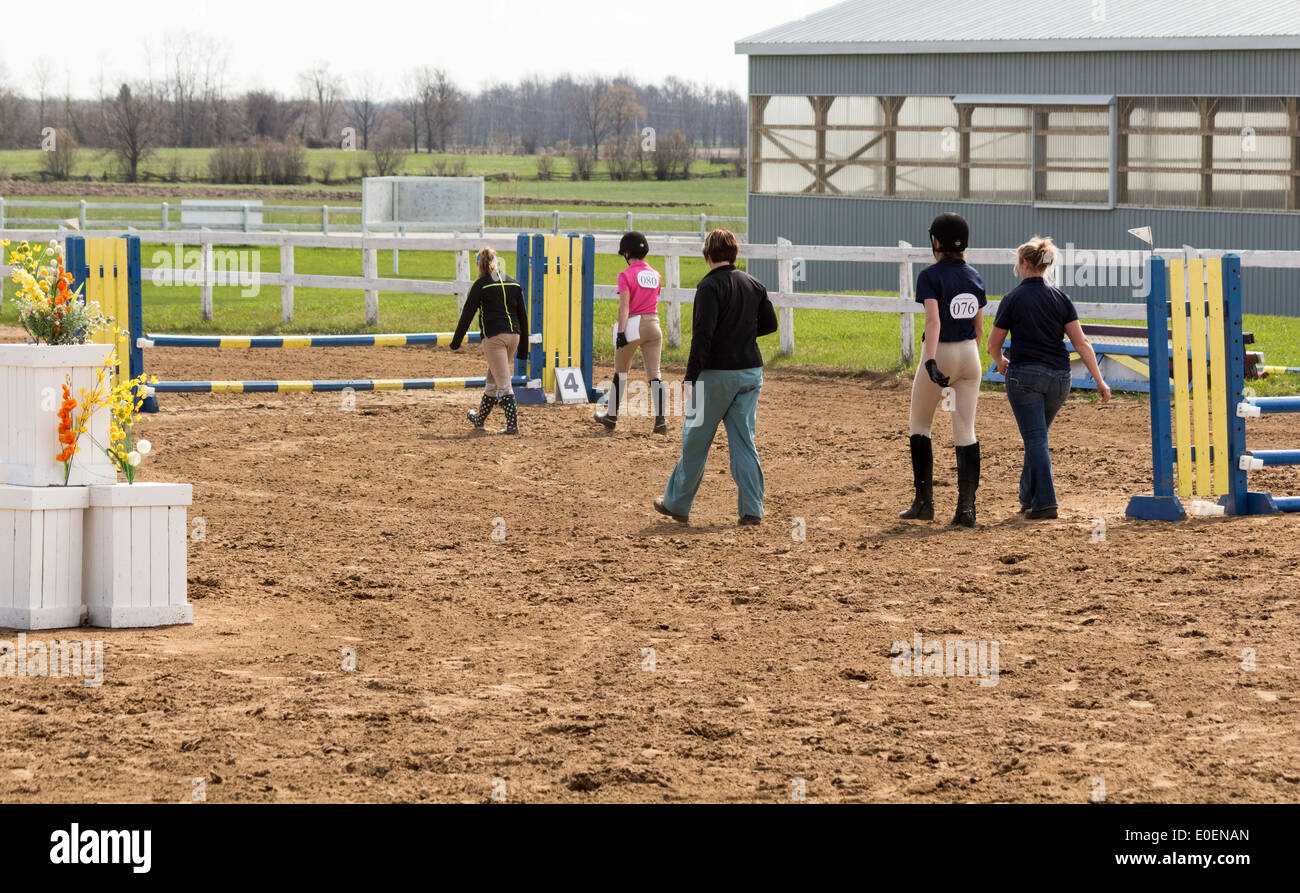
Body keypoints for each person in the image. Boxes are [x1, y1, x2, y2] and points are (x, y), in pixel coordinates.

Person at [654, 229, 778, 526]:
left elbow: (703, 336)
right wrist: (741, 335)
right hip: (750, 372)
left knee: (695, 441)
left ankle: (678, 504)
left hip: (714, 376)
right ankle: (752, 510)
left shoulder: (709, 286)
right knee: (743, 442)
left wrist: (689, 377)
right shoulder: (754, 283)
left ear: (707, 255)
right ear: (734, 254)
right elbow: (770, 324)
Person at [988, 236, 1111, 519]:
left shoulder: (1013, 299)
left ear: (1026, 264)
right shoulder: (1061, 298)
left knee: (1035, 440)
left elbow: (994, 344)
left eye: (1018, 264)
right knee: (1038, 437)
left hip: (1025, 376)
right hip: (1059, 379)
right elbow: (1082, 343)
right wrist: (1099, 380)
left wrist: (999, 361)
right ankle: (1027, 496)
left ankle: (1045, 502)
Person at [900, 212, 987, 528]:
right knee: (965, 430)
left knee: (920, 424)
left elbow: (933, 322)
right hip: (969, 356)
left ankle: (924, 503)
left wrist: (931, 360)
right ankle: (966, 510)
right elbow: (979, 326)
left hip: (942, 351)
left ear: (936, 242)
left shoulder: (930, 276)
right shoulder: (974, 276)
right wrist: (968, 358)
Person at [450, 247, 529, 435]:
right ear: (497, 261)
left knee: (503, 382)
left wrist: (456, 342)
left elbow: (467, 314)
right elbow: (523, 317)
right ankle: (479, 418)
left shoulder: (480, 285)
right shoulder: (513, 283)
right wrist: (524, 349)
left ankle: (512, 426)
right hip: (514, 337)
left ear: (479, 264)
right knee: (492, 380)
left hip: (494, 338)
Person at [595, 231, 667, 434]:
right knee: (655, 374)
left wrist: (621, 331)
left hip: (634, 324)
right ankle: (660, 421)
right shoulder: (656, 274)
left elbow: (624, 306)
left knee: (621, 372)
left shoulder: (625, 275)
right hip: (654, 325)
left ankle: (611, 416)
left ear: (627, 253)